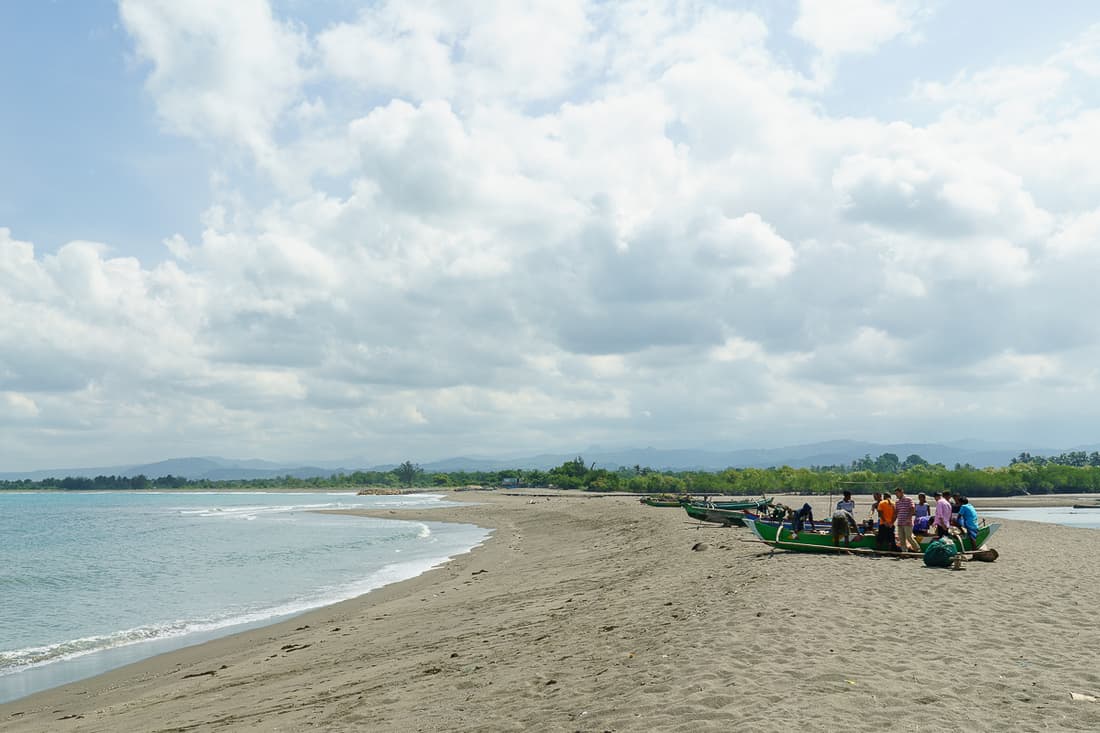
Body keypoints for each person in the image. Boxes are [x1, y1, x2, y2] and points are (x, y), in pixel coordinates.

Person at [893, 487, 921, 552]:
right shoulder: (897, 502)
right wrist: (892, 521)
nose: (896, 495)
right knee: (901, 538)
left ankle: (917, 549)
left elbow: (912, 509)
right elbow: (896, 512)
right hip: (900, 522)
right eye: (895, 494)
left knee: (909, 537)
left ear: (901, 492)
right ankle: (904, 551)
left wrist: (908, 518)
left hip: (907, 522)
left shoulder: (908, 499)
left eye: (897, 493)